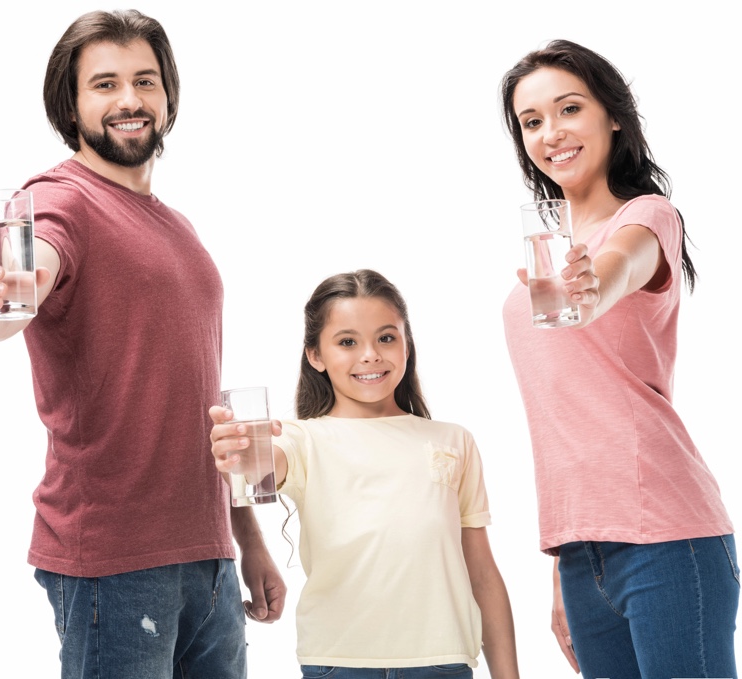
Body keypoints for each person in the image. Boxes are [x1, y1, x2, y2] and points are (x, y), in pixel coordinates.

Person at [0, 9, 285, 678]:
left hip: (208, 556)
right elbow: (19, 288)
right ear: (70, 104)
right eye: (104, 84)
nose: (129, 100)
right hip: (116, 563)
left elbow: (199, 395)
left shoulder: (177, 227)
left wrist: (247, 538)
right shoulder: (55, 201)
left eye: (144, 81)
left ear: (167, 96)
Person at [500, 39, 738, 679]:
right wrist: (562, 566)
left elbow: (617, 267)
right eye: (532, 121)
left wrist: (592, 283)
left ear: (612, 116)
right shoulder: (545, 254)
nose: (552, 132)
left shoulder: (645, 219)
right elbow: (566, 419)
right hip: (582, 555)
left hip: (668, 537)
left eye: (569, 108)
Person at [211, 269, 521, 679]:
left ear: (407, 343)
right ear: (315, 355)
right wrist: (242, 453)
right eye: (347, 342)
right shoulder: (302, 439)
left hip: (442, 663)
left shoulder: (454, 441)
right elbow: (266, 464)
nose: (371, 354)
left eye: (386, 337)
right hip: (339, 663)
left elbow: (481, 571)